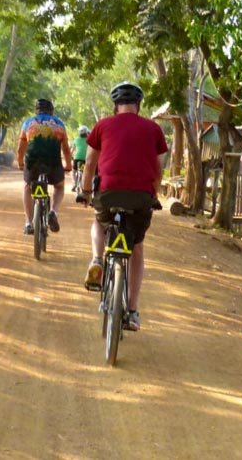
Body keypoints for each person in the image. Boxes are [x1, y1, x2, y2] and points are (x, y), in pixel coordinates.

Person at [79, 81, 167, 332]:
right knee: (136, 246)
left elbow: (89, 163)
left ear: (115, 105)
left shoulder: (103, 125)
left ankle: (97, 259)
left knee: (98, 221)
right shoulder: (153, 129)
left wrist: (85, 193)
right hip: (141, 197)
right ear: (138, 105)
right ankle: (132, 310)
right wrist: (155, 194)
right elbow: (159, 167)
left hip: (108, 193)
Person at [16, 98, 72, 235]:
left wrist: (20, 163)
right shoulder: (59, 124)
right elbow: (65, 149)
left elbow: (20, 149)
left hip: (32, 162)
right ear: (51, 111)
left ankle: (28, 223)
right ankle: (52, 212)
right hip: (53, 163)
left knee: (27, 187)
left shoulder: (28, 123)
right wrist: (69, 166)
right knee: (59, 187)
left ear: (37, 111)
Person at [69, 125, 90, 191]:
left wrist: (70, 156)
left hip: (77, 158)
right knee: (87, 172)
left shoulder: (76, 139)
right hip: (86, 159)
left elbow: (72, 150)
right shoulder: (89, 139)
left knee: (73, 171)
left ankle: (74, 183)